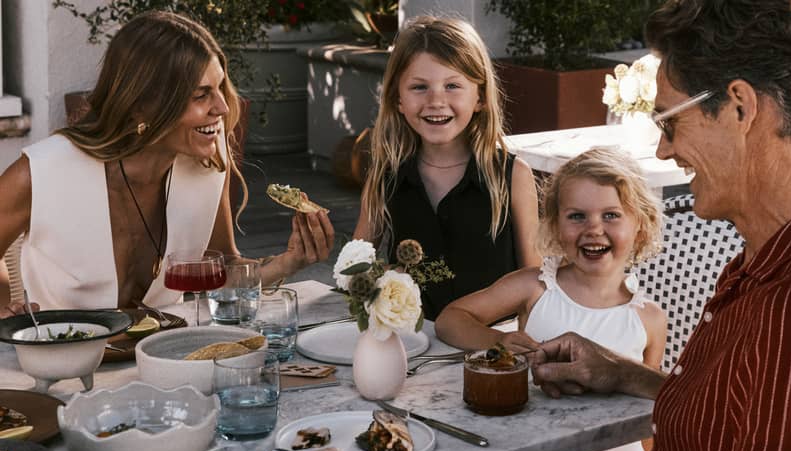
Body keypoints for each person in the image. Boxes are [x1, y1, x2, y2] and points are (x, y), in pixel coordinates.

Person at [531, 1, 791, 451]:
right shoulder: (771, 262)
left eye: (668, 122)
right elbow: (731, 419)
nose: (662, 150)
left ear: (740, 106)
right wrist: (623, 373)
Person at [0, 11, 334, 316]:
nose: (221, 107)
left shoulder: (206, 167)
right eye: (200, 94)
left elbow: (222, 268)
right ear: (142, 105)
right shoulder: (42, 173)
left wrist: (289, 263)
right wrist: (4, 314)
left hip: (163, 357)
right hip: (61, 366)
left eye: (219, 88)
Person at [436, 147, 667, 451]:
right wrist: (496, 342)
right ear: (556, 226)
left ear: (641, 226)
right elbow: (450, 319)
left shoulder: (649, 319)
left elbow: (653, 415)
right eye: (577, 216)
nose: (593, 229)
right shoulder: (535, 286)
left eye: (611, 215)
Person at [352, 16, 540, 321]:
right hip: (412, 345)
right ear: (397, 98)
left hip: (491, 345)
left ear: (479, 97)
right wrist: (382, 275)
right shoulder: (385, 176)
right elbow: (355, 266)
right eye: (419, 87)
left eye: (453, 85)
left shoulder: (512, 176)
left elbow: (534, 284)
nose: (436, 100)